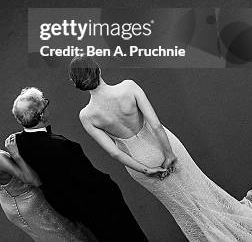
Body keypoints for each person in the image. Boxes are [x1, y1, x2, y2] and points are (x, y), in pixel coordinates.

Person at [69, 55, 252, 242]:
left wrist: (146, 170)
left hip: (137, 161)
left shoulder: (87, 115)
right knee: (198, 188)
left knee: (182, 207)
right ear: (98, 69)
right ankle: (238, 225)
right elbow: (156, 125)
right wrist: (169, 154)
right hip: (164, 145)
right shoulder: (128, 87)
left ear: (77, 83)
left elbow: (114, 152)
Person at [10, 86, 149, 241]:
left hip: (70, 210)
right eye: (45, 104)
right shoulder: (64, 146)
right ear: (41, 115)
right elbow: (89, 179)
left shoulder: (16, 143)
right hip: (99, 205)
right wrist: (110, 186)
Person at [0, 111, 95, 241]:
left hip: (8, 205)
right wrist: (15, 154)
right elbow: (34, 181)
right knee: (67, 234)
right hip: (30, 203)